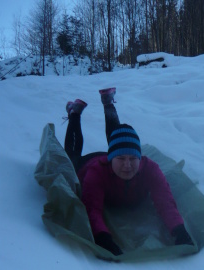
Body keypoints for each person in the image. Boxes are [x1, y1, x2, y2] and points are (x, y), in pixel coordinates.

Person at [64, 87, 193, 256]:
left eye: (133, 159)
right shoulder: (96, 173)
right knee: (71, 159)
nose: (127, 165)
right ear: (111, 159)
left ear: (140, 158)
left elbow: (165, 201)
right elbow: (91, 209)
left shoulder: (150, 169)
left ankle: (108, 104)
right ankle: (74, 113)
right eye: (122, 159)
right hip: (87, 163)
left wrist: (179, 230)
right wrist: (102, 237)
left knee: (120, 140)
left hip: (112, 156)